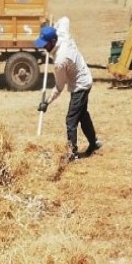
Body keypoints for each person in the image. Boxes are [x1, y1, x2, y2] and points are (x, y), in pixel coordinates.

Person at [35, 17, 102, 161]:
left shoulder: (60, 60)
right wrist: (51, 26)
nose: (42, 47)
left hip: (80, 85)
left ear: (53, 42)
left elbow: (59, 87)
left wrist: (47, 102)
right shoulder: (61, 34)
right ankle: (94, 142)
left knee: (71, 120)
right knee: (82, 115)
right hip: (83, 76)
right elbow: (65, 19)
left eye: (44, 44)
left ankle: (72, 154)